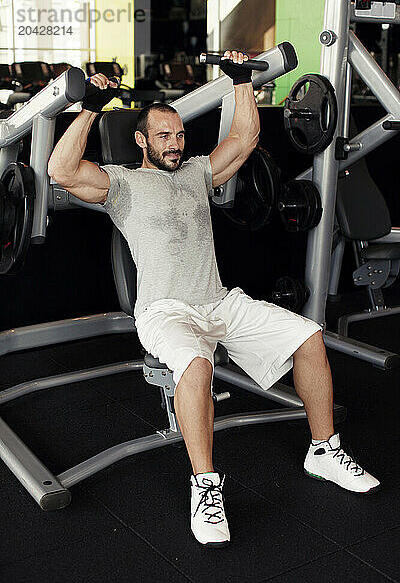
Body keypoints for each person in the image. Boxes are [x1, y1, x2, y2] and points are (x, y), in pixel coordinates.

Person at [48, 51, 380, 548]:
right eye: (163, 136)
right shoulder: (121, 184)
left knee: (310, 336)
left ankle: (324, 449)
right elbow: (61, 170)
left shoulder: (198, 173)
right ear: (141, 141)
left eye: (179, 134)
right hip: (164, 311)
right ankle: (205, 487)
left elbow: (245, 140)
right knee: (198, 365)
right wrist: (91, 107)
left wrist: (241, 79)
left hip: (219, 301)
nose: (175, 143)